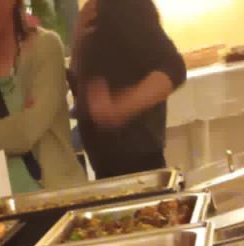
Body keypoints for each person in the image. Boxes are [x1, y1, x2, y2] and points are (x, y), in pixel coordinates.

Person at [0, 0, 85, 194]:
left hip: (56, 199)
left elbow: (26, 133)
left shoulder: (46, 47)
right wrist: (15, 125)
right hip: (1, 210)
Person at [71, 0, 186, 179]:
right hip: (108, 168)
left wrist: (117, 110)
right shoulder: (95, 9)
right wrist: (78, 43)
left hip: (139, 167)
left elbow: (174, 67)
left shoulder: (125, 4)